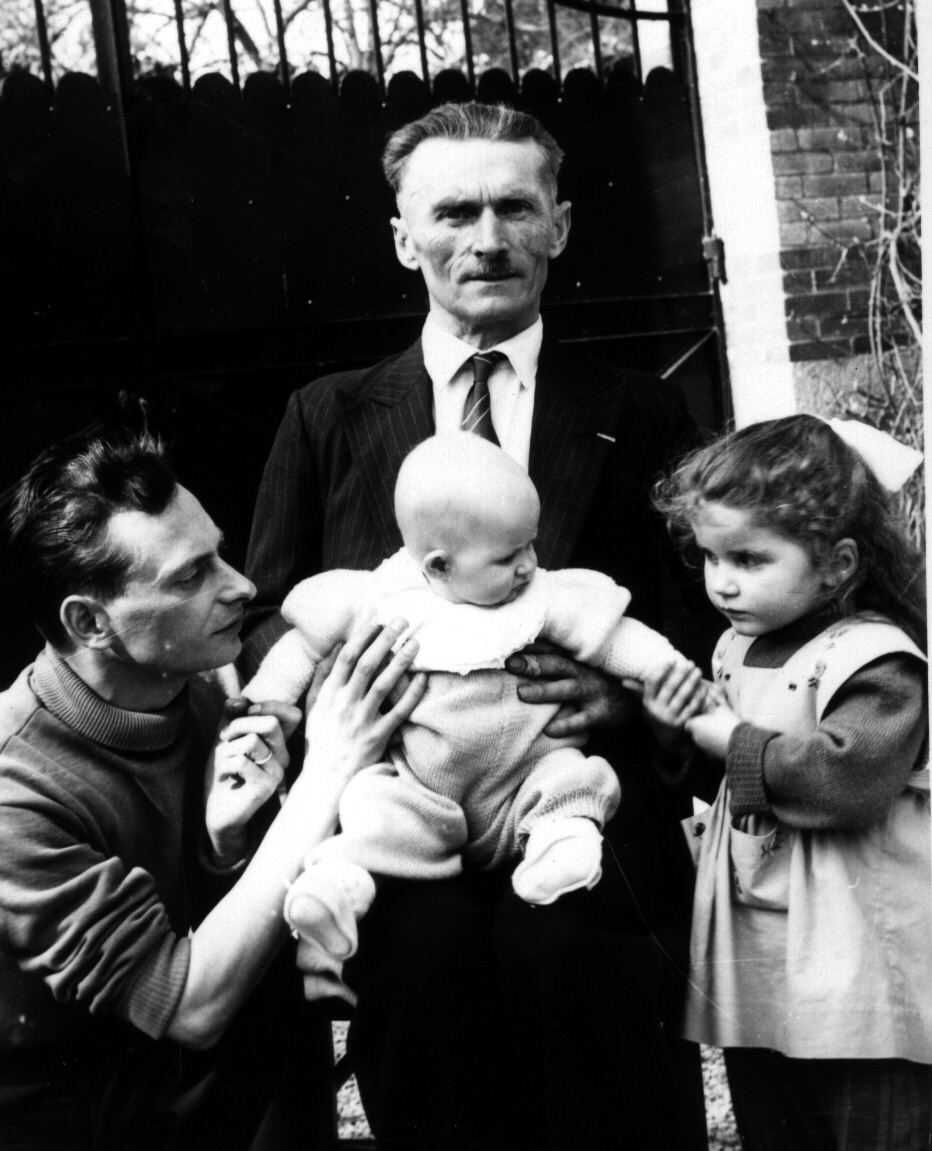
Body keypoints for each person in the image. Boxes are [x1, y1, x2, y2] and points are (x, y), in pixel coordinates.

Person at [244, 100, 708, 1151]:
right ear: (403, 237)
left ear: (560, 225)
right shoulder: (328, 414)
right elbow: (266, 614)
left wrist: (622, 696)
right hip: (403, 799)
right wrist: (342, 694)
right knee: (423, 974)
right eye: (454, 212)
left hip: (577, 795)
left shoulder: (640, 410)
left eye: (515, 207)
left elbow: (693, 617)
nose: (487, 239)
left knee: (581, 976)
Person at [0, 428, 425, 1150]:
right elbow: (191, 1006)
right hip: (61, 1111)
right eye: (192, 575)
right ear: (90, 622)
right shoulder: (16, 791)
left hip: (169, 1073)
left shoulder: (197, 685)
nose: (242, 586)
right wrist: (328, 769)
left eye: (220, 554)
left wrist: (221, 848)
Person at [246, 436, 702, 987]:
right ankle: (340, 884)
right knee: (374, 803)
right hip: (424, 788)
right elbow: (299, 646)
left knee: (571, 779)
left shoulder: (542, 596)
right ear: (439, 566)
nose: (529, 565)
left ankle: (560, 849)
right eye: (509, 557)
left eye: (531, 545)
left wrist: (670, 674)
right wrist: (264, 701)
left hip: (526, 776)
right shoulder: (379, 597)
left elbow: (618, 637)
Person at [647, 415, 930, 1150]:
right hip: (765, 940)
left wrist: (729, 737)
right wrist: (679, 730)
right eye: (709, 556)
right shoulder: (734, 647)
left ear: (837, 564)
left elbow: (845, 780)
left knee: (869, 1120)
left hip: (856, 948)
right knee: (774, 1114)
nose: (721, 581)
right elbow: (727, 779)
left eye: (749, 558)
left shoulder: (876, 660)